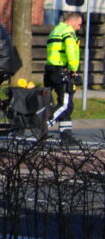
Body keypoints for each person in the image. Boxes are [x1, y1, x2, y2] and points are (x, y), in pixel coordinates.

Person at [44, 11, 82, 146]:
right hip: (62, 71)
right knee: (64, 105)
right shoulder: (68, 31)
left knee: (67, 105)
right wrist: (74, 70)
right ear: (72, 21)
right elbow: (71, 51)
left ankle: (66, 137)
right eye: (79, 24)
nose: (79, 28)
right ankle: (43, 124)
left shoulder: (55, 30)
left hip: (51, 71)